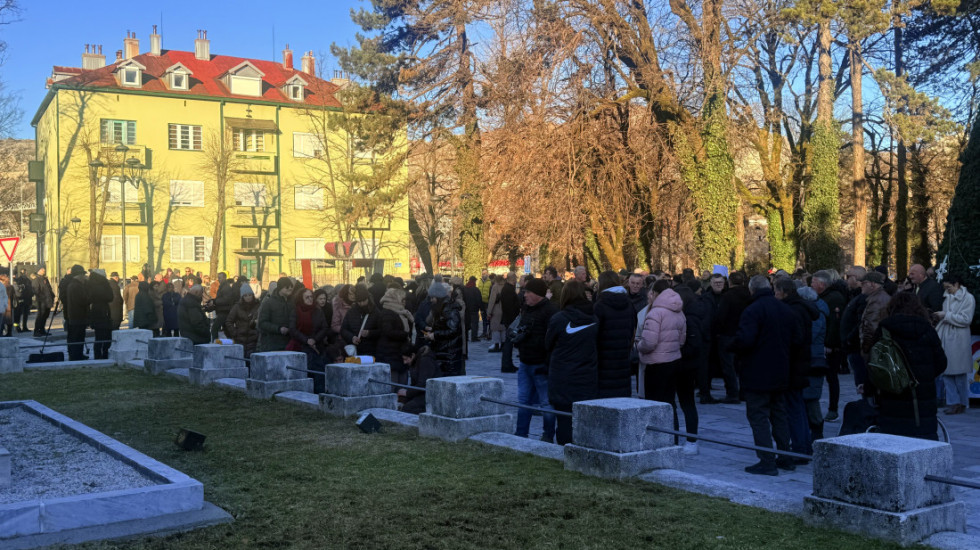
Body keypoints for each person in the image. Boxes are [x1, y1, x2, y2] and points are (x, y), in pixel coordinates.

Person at [729, 275, 797, 476]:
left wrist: (732, 346)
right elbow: (796, 339)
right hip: (780, 369)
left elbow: (746, 340)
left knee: (758, 416)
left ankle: (767, 460)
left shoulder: (753, 310)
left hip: (757, 372)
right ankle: (785, 456)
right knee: (779, 415)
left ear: (752, 290)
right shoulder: (785, 309)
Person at [869, 292, 947, 438]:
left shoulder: (885, 329)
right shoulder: (927, 329)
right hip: (922, 400)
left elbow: (874, 363)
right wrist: (924, 376)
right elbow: (941, 363)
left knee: (895, 444)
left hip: (891, 395)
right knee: (923, 444)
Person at [637, 279, 691, 448]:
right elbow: (682, 339)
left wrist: (638, 346)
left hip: (656, 364)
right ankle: (672, 439)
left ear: (654, 294)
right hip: (674, 360)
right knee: (670, 404)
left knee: (654, 404)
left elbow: (649, 343)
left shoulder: (655, 313)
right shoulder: (678, 311)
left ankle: (657, 442)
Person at [545, 280, 598, 445]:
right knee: (584, 419)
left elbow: (548, 344)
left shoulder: (559, 319)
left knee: (565, 420)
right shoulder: (594, 318)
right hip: (587, 375)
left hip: (563, 376)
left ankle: (564, 451)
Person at [512, 277, 557, 442]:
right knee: (523, 399)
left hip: (541, 365)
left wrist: (547, 362)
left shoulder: (551, 311)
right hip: (525, 362)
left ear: (537, 294)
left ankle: (548, 435)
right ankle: (521, 433)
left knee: (546, 403)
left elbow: (553, 341)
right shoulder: (526, 309)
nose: (524, 295)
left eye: (528, 292)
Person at [935, 273, 975, 415]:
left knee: (959, 375)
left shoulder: (968, 298)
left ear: (957, 284)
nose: (947, 290)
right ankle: (953, 402)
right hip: (947, 337)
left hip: (958, 339)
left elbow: (966, 319)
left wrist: (946, 316)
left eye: (949, 287)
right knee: (947, 373)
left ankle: (962, 402)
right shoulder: (947, 297)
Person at [593, 270, 637, 398]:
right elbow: (632, 330)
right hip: (623, 358)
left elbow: (595, 334)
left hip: (603, 361)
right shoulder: (629, 304)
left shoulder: (599, 306)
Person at [715, 271, 750, 403]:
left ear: (729, 282)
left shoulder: (727, 296)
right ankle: (744, 392)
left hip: (728, 334)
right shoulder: (748, 295)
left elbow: (721, 316)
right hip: (744, 333)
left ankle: (732, 393)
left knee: (728, 366)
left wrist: (718, 330)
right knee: (742, 365)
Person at [288, 287, 329, 393]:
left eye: (311, 297)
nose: (310, 299)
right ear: (301, 299)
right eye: (307, 297)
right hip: (300, 346)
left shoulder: (318, 311)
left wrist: (314, 339)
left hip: (317, 347)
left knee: (318, 371)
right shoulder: (296, 311)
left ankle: (319, 393)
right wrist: (306, 340)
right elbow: (292, 329)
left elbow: (324, 327)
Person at [423, 281, 464, 376]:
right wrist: (432, 332)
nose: (431, 300)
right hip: (443, 353)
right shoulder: (441, 308)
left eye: (433, 297)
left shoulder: (449, 309)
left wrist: (435, 335)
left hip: (449, 354)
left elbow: (453, 330)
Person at [378, 287, 415, 385]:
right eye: (402, 300)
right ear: (395, 299)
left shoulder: (401, 313)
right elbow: (388, 331)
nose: (404, 302)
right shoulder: (388, 313)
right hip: (390, 354)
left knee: (402, 385)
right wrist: (404, 334)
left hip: (398, 353)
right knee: (393, 385)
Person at [341, 285, 381, 357]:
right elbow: (343, 329)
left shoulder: (376, 312)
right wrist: (352, 337)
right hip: (355, 350)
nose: (362, 304)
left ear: (368, 299)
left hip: (371, 350)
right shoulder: (351, 311)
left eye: (364, 301)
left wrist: (370, 333)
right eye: (359, 302)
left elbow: (382, 330)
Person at [258, 277, 294, 352]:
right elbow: (262, 323)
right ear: (280, 288)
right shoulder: (269, 303)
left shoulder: (293, 302)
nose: (290, 288)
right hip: (273, 343)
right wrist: (278, 329)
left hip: (290, 342)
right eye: (287, 287)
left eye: (291, 286)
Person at [225, 284, 260, 357]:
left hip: (254, 340)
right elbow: (229, 321)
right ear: (242, 297)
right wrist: (234, 333)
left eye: (250, 295)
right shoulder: (237, 307)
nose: (248, 297)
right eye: (245, 295)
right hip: (240, 339)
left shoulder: (258, 306)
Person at [64, 265, 89, 360]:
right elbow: (82, 300)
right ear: (78, 275)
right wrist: (89, 298)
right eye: (83, 275)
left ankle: (77, 354)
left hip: (75, 316)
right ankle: (76, 355)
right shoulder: (76, 286)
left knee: (77, 337)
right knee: (77, 337)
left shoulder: (72, 285)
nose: (84, 277)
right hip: (78, 316)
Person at [498, 272, 520, 372]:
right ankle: (507, 365)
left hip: (509, 318)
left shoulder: (507, 288)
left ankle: (508, 363)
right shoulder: (508, 290)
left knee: (509, 342)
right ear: (513, 279)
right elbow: (510, 306)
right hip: (510, 319)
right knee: (509, 343)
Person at [32, 268, 55, 336]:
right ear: (39, 271)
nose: (44, 271)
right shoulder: (36, 279)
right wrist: (42, 297)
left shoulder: (45, 279)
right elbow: (36, 290)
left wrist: (52, 296)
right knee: (40, 316)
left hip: (47, 300)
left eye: (44, 270)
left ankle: (42, 330)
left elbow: (49, 289)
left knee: (45, 316)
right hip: (41, 301)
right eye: (42, 270)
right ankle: (36, 331)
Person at [486, 275, 506, 352]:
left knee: (495, 328)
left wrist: (489, 312)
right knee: (503, 328)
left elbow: (492, 300)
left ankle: (496, 345)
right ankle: (503, 344)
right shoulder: (506, 286)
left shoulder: (495, 287)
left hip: (496, 309)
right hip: (505, 309)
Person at [13, 269, 33, 333]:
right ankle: (17, 327)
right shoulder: (18, 280)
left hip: (27, 299)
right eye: (24, 272)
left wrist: (31, 294)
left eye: (25, 272)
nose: (25, 273)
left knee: (25, 314)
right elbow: (17, 290)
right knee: (18, 315)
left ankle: (24, 327)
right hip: (20, 300)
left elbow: (31, 289)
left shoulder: (28, 280)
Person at [478, 269, 493, 339]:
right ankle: (484, 332)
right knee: (483, 318)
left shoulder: (490, 282)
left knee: (488, 318)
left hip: (487, 303)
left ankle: (489, 333)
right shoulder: (480, 281)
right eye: (483, 273)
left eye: (485, 273)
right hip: (481, 303)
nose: (484, 274)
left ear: (487, 274)